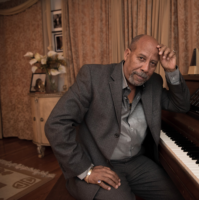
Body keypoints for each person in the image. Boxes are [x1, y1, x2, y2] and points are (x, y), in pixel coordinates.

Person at [45, 34, 190, 200]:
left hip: (136, 162)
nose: (145, 68)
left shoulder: (154, 83)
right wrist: (86, 170)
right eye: (141, 58)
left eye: (152, 64)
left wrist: (171, 70)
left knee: (180, 195)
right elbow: (56, 123)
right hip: (98, 161)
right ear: (127, 54)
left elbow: (181, 105)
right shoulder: (93, 76)